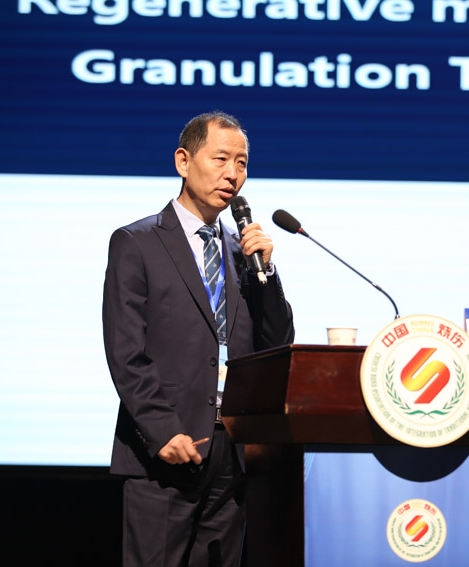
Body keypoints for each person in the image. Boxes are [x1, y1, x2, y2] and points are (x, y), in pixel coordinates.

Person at [102, 111, 295, 567]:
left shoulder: (243, 252)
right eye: (221, 158)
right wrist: (161, 429)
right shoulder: (137, 242)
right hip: (167, 446)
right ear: (183, 161)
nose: (233, 174)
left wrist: (267, 272)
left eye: (242, 163)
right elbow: (126, 351)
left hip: (232, 449)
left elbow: (277, 343)